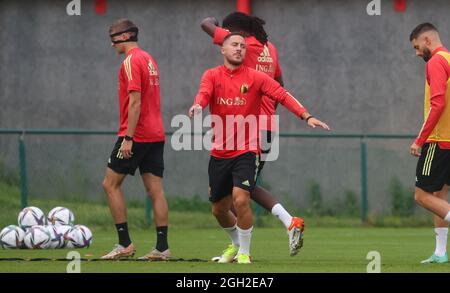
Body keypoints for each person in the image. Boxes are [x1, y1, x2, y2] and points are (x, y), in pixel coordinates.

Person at [189, 32, 330, 264]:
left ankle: (244, 252)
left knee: (241, 198)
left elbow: (282, 95)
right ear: (222, 50)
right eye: (234, 45)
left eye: (242, 46)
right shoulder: (212, 75)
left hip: (247, 149)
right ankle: (235, 245)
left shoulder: (255, 77)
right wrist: (198, 105)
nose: (239, 49)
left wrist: (307, 116)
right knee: (219, 209)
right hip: (219, 153)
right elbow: (204, 94)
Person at [201, 12, 305, 256]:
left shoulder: (241, 45)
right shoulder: (270, 48)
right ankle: (238, 246)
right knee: (241, 187)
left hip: (249, 127)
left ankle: (288, 222)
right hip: (266, 124)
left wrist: (213, 21)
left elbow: (204, 25)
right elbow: (279, 82)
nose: (232, 42)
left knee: (242, 188)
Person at [101, 19, 170, 260]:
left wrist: (128, 137)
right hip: (156, 134)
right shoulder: (149, 59)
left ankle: (124, 244)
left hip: (136, 134)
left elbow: (136, 101)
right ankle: (162, 248)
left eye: (114, 36)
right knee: (156, 191)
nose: (112, 43)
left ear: (127, 35)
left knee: (110, 185)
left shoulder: (130, 61)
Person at [409, 22, 450, 264]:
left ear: (427, 40)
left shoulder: (436, 61)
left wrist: (419, 140)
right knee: (439, 195)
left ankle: (441, 252)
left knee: (422, 196)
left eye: (416, 47)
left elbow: (438, 104)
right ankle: (441, 252)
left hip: (438, 141)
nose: (416, 53)